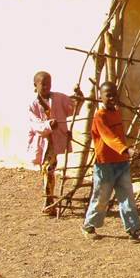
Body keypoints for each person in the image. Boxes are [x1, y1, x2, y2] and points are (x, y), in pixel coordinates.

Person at [80, 81, 140, 242]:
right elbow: (109, 138)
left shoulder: (117, 112)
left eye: (114, 95)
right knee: (101, 198)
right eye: (108, 95)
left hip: (122, 163)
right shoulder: (100, 116)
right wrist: (126, 150)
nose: (112, 98)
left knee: (127, 198)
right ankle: (89, 225)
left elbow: (119, 137)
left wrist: (127, 153)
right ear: (100, 97)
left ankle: (134, 231)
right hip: (105, 165)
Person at [28, 71, 83, 214]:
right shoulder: (33, 105)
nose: (47, 87)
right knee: (47, 170)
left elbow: (73, 108)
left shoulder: (59, 98)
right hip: (43, 141)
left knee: (48, 169)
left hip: (56, 140)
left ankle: (49, 201)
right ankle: (49, 199)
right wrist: (48, 125)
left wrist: (79, 98)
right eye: (43, 84)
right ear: (35, 85)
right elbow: (35, 125)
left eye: (49, 84)